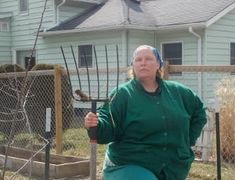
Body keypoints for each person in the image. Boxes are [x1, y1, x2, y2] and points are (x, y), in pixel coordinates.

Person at [84, 45, 207, 180]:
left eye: (148, 59)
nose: (143, 63)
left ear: (158, 64)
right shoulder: (122, 94)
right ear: (133, 66)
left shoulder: (179, 92)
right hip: (129, 165)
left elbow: (199, 113)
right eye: (138, 60)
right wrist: (96, 124)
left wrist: (186, 141)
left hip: (173, 167)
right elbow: (107, 126)